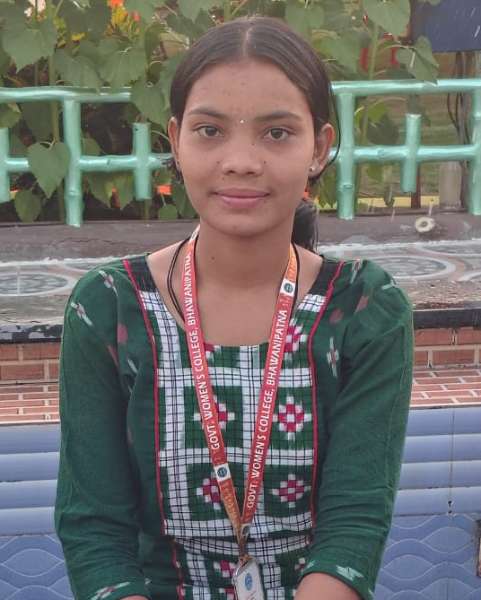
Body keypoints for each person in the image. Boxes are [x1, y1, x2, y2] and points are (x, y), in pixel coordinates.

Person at [55, 16, 414, 600]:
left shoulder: (364, 309)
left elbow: (353, 526)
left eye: (276, 133)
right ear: (176, 141)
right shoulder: (110, 307)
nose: (241, 160)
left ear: (319, 147)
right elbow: (95, 531)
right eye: (210, 130)